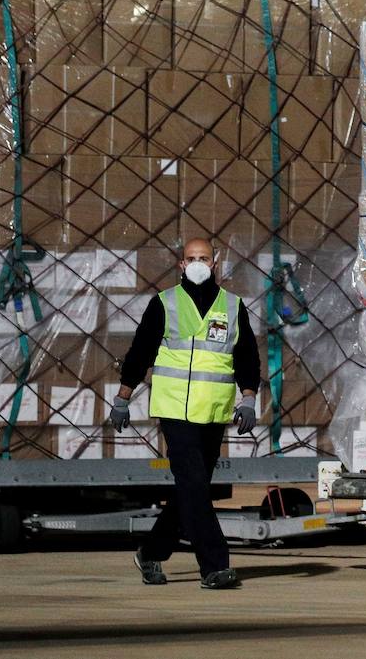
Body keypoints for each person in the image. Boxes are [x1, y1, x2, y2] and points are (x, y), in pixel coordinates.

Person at [109, 237, 260, 589]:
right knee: (194, 486)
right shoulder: (164, 303)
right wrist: (122, 398)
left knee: (190, 491)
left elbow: (247, 356)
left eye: (203, 257)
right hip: (174, 411)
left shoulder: (233, 306)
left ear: (215, 262)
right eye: (190, 258)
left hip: (213, 412)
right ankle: (215, 566)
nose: (196, 263)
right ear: (180, 264)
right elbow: (141, 351)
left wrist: (249, 398)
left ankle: (151, 553)